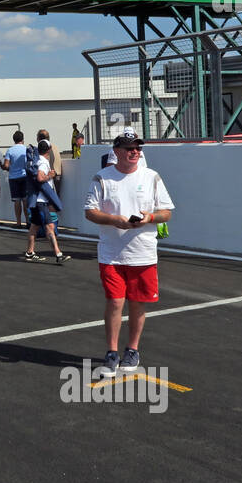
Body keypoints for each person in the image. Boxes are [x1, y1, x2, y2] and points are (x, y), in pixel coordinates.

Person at [83, 132, 174, 377]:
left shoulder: (152, 176)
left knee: (137, 303)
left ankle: (132, 350)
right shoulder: (102, 178)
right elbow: (90, 212)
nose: (135, 152)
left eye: (137, 148)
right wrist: (114, 220)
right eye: (129, 148)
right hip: (111, 254)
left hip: (143, 253)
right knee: (115, 302)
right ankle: (111, 353)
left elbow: (167, 212)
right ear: (117, 151)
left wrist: (150, 218)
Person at [25, 140, 70, 265]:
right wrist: (50, 176)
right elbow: (40, 177)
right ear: (49, 150)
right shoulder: (43, 162)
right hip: (41, 201)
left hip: (35, 200)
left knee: (34, 226)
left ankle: (30, 252)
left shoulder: (35, 159)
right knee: (50, 227)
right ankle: (58, 254)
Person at [5, 131, 29, 228]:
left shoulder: (10, 150)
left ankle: (18, 222)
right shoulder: (26, 149)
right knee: (25, 200)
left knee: (17, 200)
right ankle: (28, 222)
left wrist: (9, 167)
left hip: (13, 178)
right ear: (22, 139)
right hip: (24, 176)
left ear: (14, 140)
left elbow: (6, 165)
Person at [37, 128, 63, 195]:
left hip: (50, 177)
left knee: (50, 200)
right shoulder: (55, 147)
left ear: (40, 138)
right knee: (56, 198)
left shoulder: (44, 147)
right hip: (58, 176)